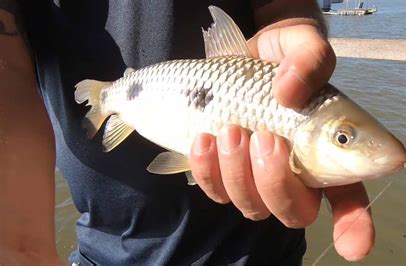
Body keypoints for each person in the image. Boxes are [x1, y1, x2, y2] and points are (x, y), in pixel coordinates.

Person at [0, 0, 375, 265]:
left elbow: (283, 7)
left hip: (259, 250)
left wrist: (290, 16)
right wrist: (22, 249)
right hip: (102, 248)